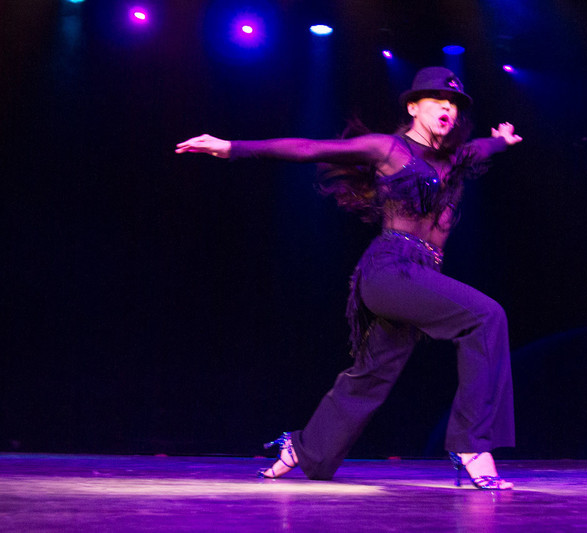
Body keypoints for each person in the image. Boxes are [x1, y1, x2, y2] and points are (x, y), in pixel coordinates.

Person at [176, 66, 522, 490]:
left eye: (452, 102)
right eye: (436, 99)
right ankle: (471, 445)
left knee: (372, 374)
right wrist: (233, 148)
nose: (446, 107)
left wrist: (502, 140)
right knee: (487, 317)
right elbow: (309, 149)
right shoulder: (389, 148)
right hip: (392, 270)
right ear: (413, 107)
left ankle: (304, 448)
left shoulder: (457, 158)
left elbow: (483, 147)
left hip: (419, 276)